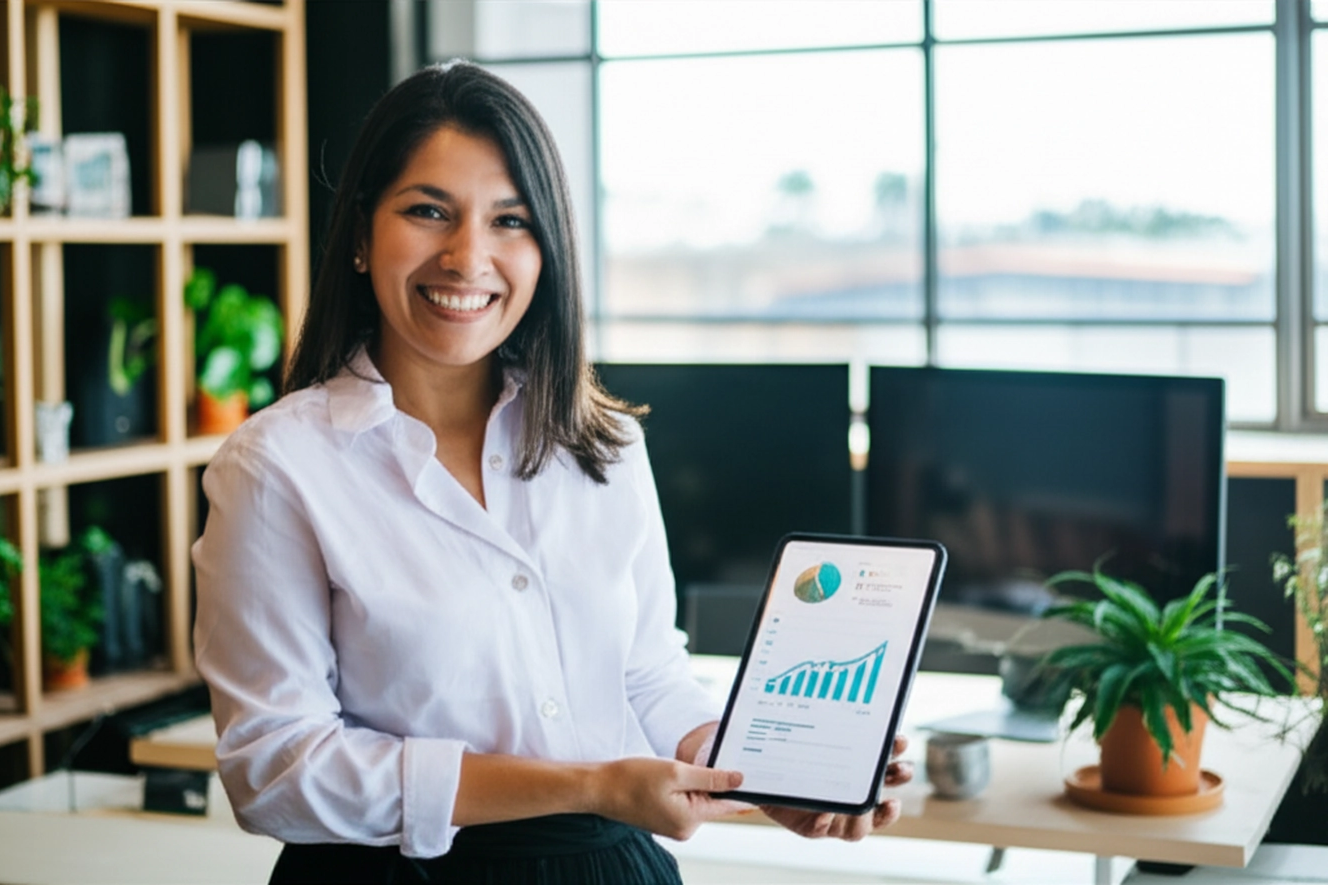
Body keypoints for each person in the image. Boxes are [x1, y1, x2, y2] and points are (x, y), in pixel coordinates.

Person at [192, 61, 913, 885]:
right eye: (428, 211)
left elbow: (644, 670)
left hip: (607, 866)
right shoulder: (276, 467)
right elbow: (279, 772)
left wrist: (765, 772)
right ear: (359, 235)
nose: (468, 258)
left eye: (510, 220)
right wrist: (593, 784)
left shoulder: (601, 443)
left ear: (547, 249)